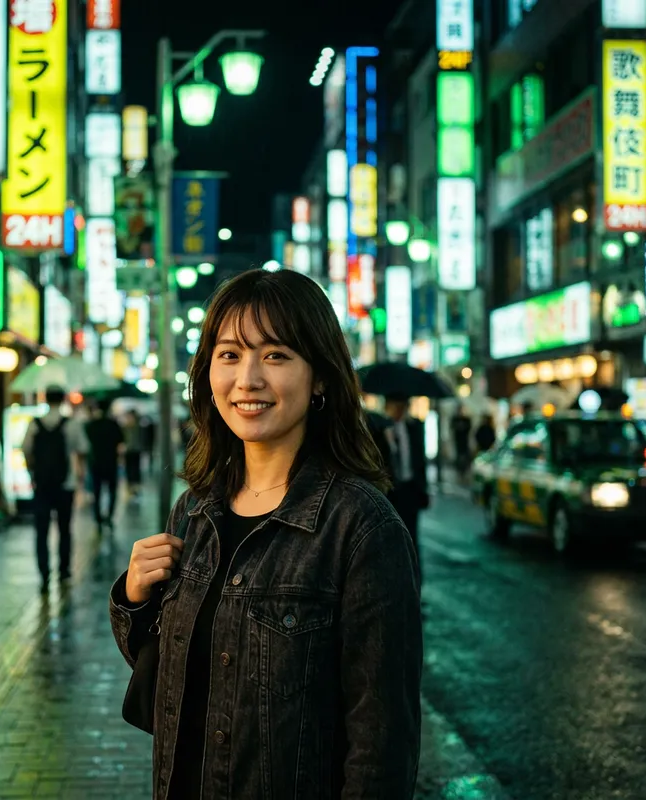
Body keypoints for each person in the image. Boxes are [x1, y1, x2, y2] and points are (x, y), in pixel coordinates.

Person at [110, 269, 422, 799]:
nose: (247, 379)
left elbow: (382, 744)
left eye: (276, 355)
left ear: (319, 377)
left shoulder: (360, 527)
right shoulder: (194, 511)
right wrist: (134, 599)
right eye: (229, 355)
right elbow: (172, 678)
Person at [22, 387, 89, 593]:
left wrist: (32, 473)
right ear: (63, 400)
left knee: (41, 532)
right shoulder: (71, 424)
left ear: (45, 398)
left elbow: (25, 449)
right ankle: (64, 572)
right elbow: (83, 449)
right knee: (64, 529)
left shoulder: (34, 424)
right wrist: (80, 478)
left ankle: (44, 575)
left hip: (41, 485)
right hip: (65, 484)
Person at [382, 392, 429, 574]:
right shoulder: (382, 428)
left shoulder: (414, 427)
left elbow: (420, 460)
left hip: (410, 489)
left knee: (412, 538)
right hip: (390, 492)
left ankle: (416, 584)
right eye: (396, 406)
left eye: (402, 406)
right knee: (391, 539)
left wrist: (423, 490)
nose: (399, 410)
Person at [85, 399, 125, 532]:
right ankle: (109, 516)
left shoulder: (91, 425)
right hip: (111, 462)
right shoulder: (113, 424)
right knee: (112, 491)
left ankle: (98, 518)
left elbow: (86, 443)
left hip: (95, 462)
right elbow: (121, 442)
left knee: (97, 492)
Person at [122, 408, 143, 498]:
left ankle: (135, 488)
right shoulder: (125, 427)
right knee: (129, 470)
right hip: (128, 451)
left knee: (135, 469)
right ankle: (130, 488)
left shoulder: (138, 427)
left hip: (135, 450)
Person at [450, 404, 472, 478]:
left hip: (464, 440)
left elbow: (469, 427)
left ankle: (464, 470)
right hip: (458, 440)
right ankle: (460, 470)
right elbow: (452, 427)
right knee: (459, 455)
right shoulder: (455, 419)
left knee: (464, 455)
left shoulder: (466, 419)